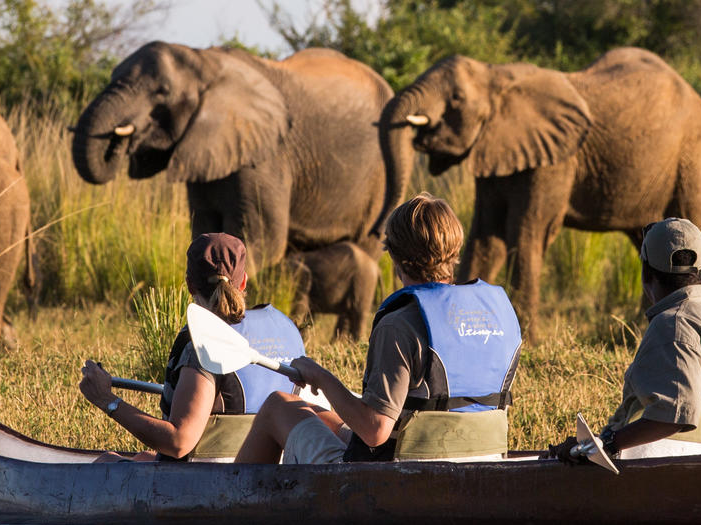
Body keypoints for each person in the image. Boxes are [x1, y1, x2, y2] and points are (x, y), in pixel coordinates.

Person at [235, 195, 520, 464]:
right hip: (485, 460)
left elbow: (375, 430)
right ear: (455, 250)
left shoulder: (400, 325)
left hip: (395, 477)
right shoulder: (499, 314)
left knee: (279, 406)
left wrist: (321, 377)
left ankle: (237, 508)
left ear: (395, 256)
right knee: (319, 414)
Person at [77, 232, 305, 460]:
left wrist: (106, 400)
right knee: (142, 459)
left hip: (208, 482)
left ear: (190, 285)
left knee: (106, 461)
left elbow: (178, 442)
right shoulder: (285, 329)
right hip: (270, 474)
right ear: (244, 281)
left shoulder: (203, 344)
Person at [551, 217, 701, 464]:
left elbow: (675, 414)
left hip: (650, 470)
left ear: (645, 274)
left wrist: (607, 444)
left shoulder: (672, 324)